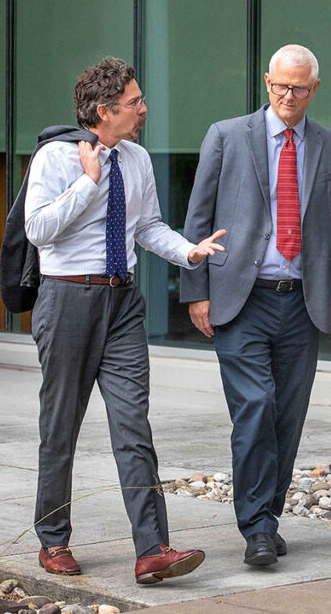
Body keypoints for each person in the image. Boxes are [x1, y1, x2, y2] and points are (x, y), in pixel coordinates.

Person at [25, 57, 224, 585]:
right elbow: (39, 229)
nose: (143, 110)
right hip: (68, 299)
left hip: (122, 303)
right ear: (102, 110)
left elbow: (148, 226)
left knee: (134, 426)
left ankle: (152, 549)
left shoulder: (136, 159)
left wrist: (189, 251)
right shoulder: (55, 157)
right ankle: (53, 541)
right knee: (60, 427)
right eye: (134, 102)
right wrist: (88, 184)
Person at [181, 44, 331, 566]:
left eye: (298, 88)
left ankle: (267, 515)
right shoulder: (226, 135)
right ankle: (257, 527)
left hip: (304, 304)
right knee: (256, 406)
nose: (288, 95)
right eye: (280, 85)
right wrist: (196, 291)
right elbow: (198, 216)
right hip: (242, 299)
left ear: (314, 90)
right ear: (266, 81)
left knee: (287, 416)